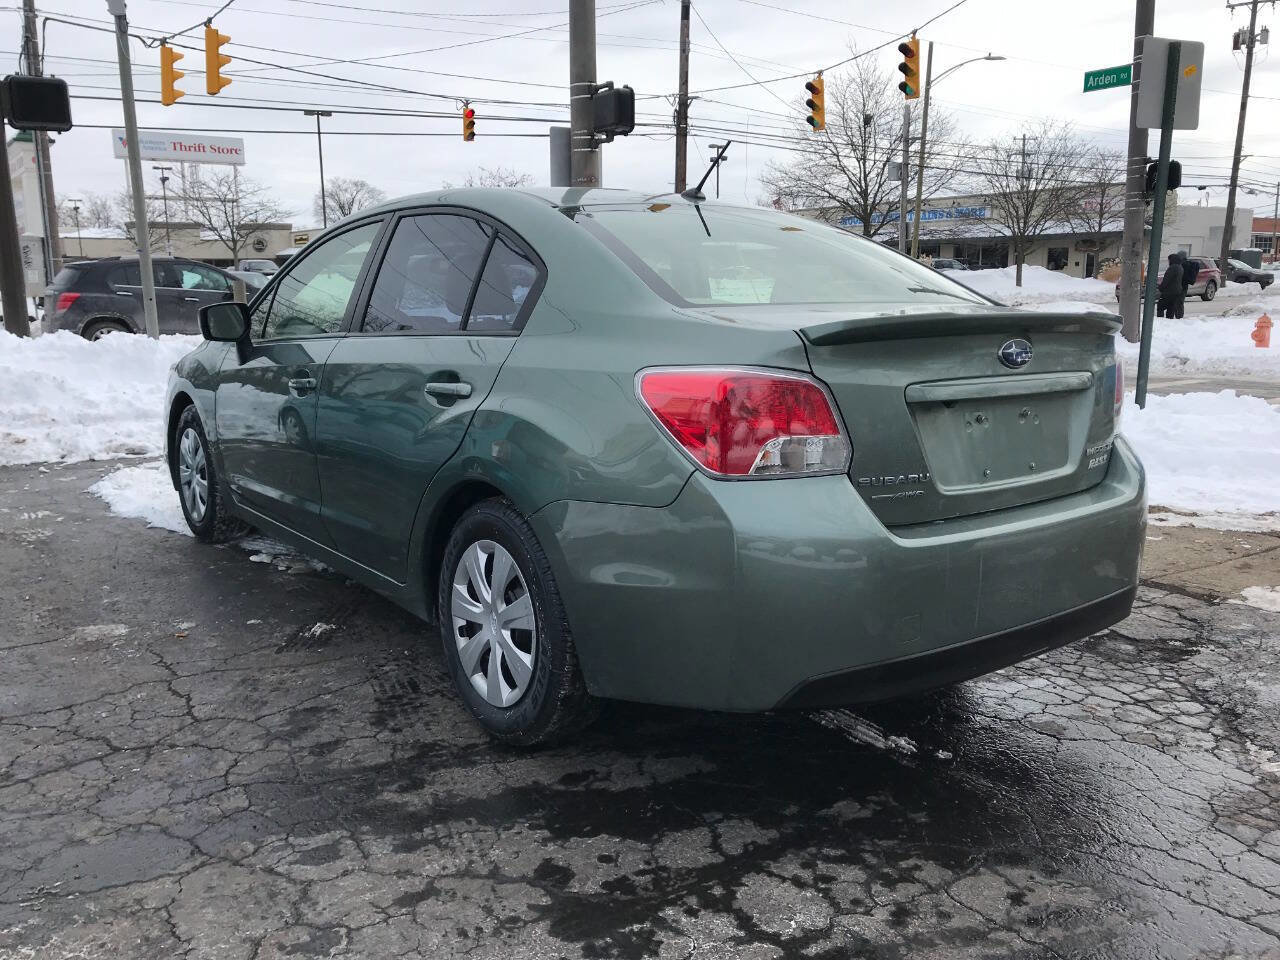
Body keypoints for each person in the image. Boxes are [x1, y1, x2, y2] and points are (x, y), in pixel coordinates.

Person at [1157, 253, 1184, 319]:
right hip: (1177, 291)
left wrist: (1160, 288)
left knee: (1160, 306)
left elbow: (1166, 280)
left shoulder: (1172, 268)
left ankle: (1161, 320)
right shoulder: (1180, 267)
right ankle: (1169, 320)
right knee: (1171, 308)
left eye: (1169, 260)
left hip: (1169, 291)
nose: (1168, 261)